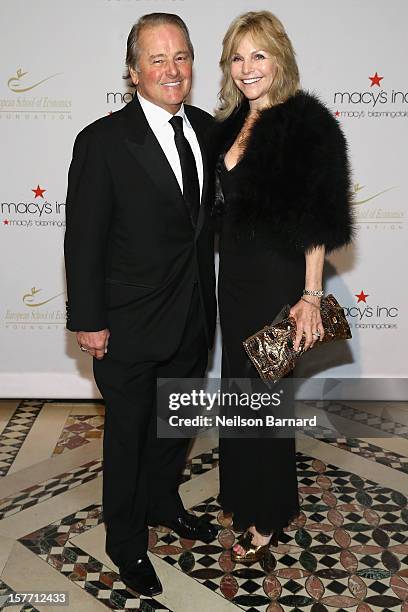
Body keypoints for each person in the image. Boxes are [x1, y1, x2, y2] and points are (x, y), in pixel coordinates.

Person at [64, 13, 217, 596]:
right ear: (133, 72)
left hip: (193, 316)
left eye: (181, 56)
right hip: (126, 324)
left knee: (174, 428)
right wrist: (89, 320)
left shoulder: (206, 129)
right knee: (127, 438)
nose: (171, 69)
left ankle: (163, 504)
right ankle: (126, 544)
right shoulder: (101, 141)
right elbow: (84, 239)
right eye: (157, 59)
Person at [214, 11, 354, 563]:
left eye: (259, 55)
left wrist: (311, 295)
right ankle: (244, 495)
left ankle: (268, 514)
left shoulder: (306, 122)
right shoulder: (226, 124)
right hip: (236, 282)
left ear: (280, 59)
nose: (248, 68)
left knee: (265, 403)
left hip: (279, 281)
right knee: (239, 394)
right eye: (238, 56)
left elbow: (318, 218)